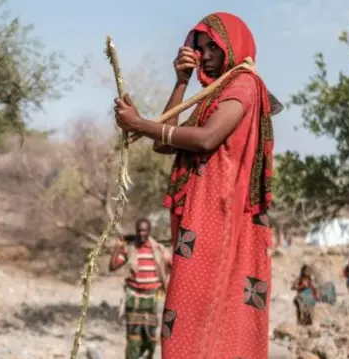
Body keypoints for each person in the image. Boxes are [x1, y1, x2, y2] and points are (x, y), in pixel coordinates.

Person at [113, 12, 280, 359]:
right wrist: (181, 81)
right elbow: (166, 143)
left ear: (232, 47)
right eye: (200, 48)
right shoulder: (212, 93)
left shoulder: (244, 83)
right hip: (199, 214)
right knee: (187, 313)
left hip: (218, 212)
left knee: (193, 310)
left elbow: (205, 139)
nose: (204, 55)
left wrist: (141, 124)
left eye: (212, 48)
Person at [109, 219, 170, 359]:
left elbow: (174, 264)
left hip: (152, 298)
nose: (142, 233)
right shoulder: (130, 249)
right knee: (133, 339)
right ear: (136, 231)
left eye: (144, 230)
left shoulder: (158, 249)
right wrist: (118, 247)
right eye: (139, 231)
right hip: (133, 298)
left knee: (151, 339)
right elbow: (112, 267)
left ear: (149, 231)